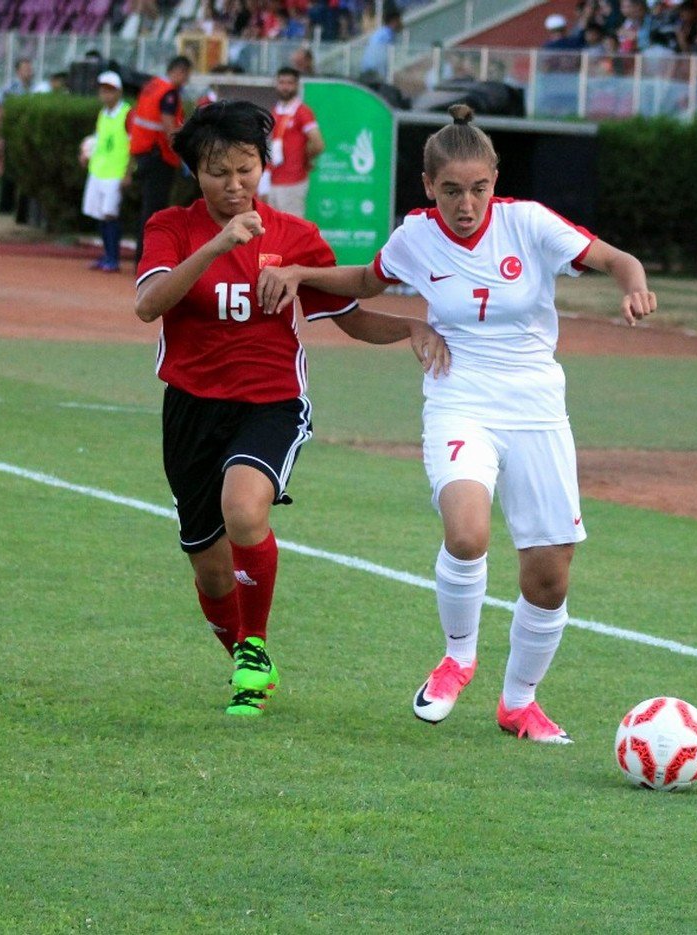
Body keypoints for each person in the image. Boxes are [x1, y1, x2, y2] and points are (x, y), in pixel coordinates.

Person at [258, 105, 656, 744]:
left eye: (478, 188)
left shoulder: (529, 224)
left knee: (550, 575)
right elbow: (365, 279)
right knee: (467, 534)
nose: (465, 204)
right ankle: (458, 658)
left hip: (536, 408)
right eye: (450, 190)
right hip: (459, 397)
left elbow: (618, 259)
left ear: (495, 181)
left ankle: (519, 704)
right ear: (428, 187)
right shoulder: (415, 236)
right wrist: (301, 273)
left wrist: (633, 287)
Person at [134, 100, 450, 718]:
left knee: (243, 507)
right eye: (217, 172)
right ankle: (248, 660)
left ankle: (254, 649)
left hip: (271, 403)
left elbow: (349, 316)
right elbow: (150, 303)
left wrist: (410, 328)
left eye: (245, 169)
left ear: (263, 166)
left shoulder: (294, 238)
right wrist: (218, 243)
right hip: (191, 408)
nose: (234, 185)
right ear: (195, 173)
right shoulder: (171, 227)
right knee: (210, 569)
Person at [129, 55, 193, 265]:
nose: (187, 81)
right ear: (180, 71)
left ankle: (142, 257)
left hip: (143, 153)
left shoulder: (152, 86)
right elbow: (169, 127)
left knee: (147, 209)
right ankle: (146, 260)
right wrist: (185, 154)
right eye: (187, 75)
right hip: (160, 157)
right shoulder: (169, 94)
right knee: (154, 211)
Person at [79, 71, 133, 273]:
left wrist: (128, 172)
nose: (105, 95)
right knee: (101, 215)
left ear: (118, 92)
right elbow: (99, 139)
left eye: (109, 91)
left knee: (111, 215)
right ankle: (107, 255)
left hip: (115, 172)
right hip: (98, 170)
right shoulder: (103, 114)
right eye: (103, 91)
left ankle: (113, 257)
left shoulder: (127, 114)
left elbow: (132, 144)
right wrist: (87, 154)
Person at [265, 66, 325, 219]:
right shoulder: (275, 111)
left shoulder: (302, 111)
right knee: (273, 228)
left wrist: (304, 158)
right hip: (273, 179)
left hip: (293, 180)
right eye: (282, 82)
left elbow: (318, 143)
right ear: (276, 84)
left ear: (297, 85)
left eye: (289, 83)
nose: (285, 87)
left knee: (292, 228)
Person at [0, 57, 35, 222]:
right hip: (12, 136)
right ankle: (5, 208)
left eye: (30, 69)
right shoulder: (10, 89)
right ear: (18, 71)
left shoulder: (35, 90)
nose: (29, 72)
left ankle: (22, 211)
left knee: (26, 174)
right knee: (9, 173)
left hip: (28, 137)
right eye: (25, 69)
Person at [359, 7, 402, 81]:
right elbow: (382, 58)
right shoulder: (387, 35)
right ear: (394, 21)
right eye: (399, 20)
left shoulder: (381, 32)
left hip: (367, 70)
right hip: (373, 73)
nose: (401, 23)